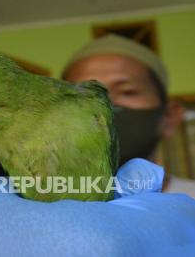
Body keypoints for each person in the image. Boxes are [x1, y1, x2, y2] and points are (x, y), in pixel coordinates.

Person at [62, 34, 195, 197]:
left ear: (169, 117)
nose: (104, 103)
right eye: (85, 94)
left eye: (127, 92)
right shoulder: (41, 206)